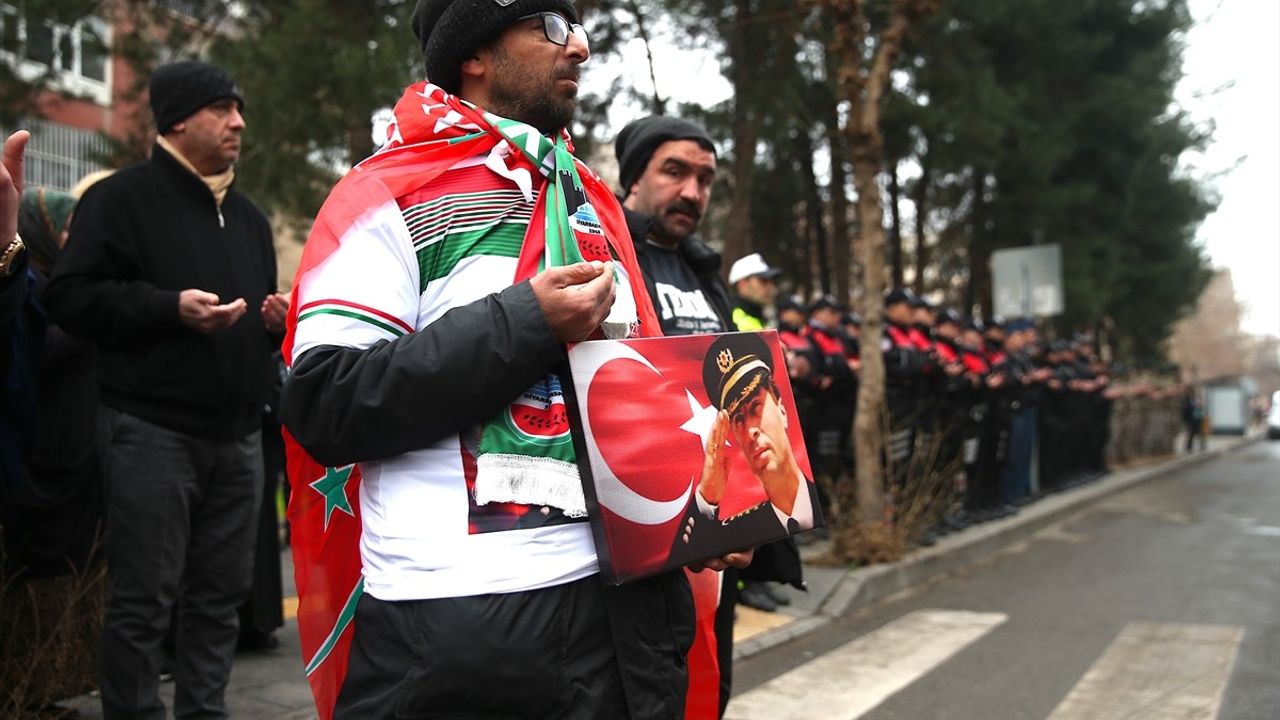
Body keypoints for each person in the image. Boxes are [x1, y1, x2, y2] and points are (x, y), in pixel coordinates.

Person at [280, 6, 750, 718]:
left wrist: (701, 514)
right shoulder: (384, 195)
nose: (582, 48)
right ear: (475, 54)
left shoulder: (588, 199)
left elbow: (632, 387)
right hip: (461, 624)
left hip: (626, 609)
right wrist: (525, 321)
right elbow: (327, 401)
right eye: (552, 26)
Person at [43, 61, 286, 720]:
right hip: (151, 434)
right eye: (222, 109)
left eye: (239, 109)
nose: (239, 122)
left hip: (237, 442)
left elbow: (249, 330)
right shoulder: (119, 200)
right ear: (178, 118)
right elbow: (69, 297)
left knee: (218, 602)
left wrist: (272, 329)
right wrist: (166, 308)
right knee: (144, 601)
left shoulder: (251, 220)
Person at [615, 114, 800, 712]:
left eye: (705, 178)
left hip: (719, 530)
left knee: (706, 686)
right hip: (643, 529)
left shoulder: (704, 271)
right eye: (675, 171)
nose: (692, 191)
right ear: (633, 177)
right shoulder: (602, 249)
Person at [674, 333, 821, 558]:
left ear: (781, 409)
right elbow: (687, 554)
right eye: (739, 420)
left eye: (756, 407)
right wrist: (707, 498)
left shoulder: (814, 500)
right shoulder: (744, 527)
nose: (750, 431)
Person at [727, 252, 779, 331]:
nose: (770, 287)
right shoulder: (733, 319)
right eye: (763, 280)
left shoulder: (755, 316)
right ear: (743, 284)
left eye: (771, 281)